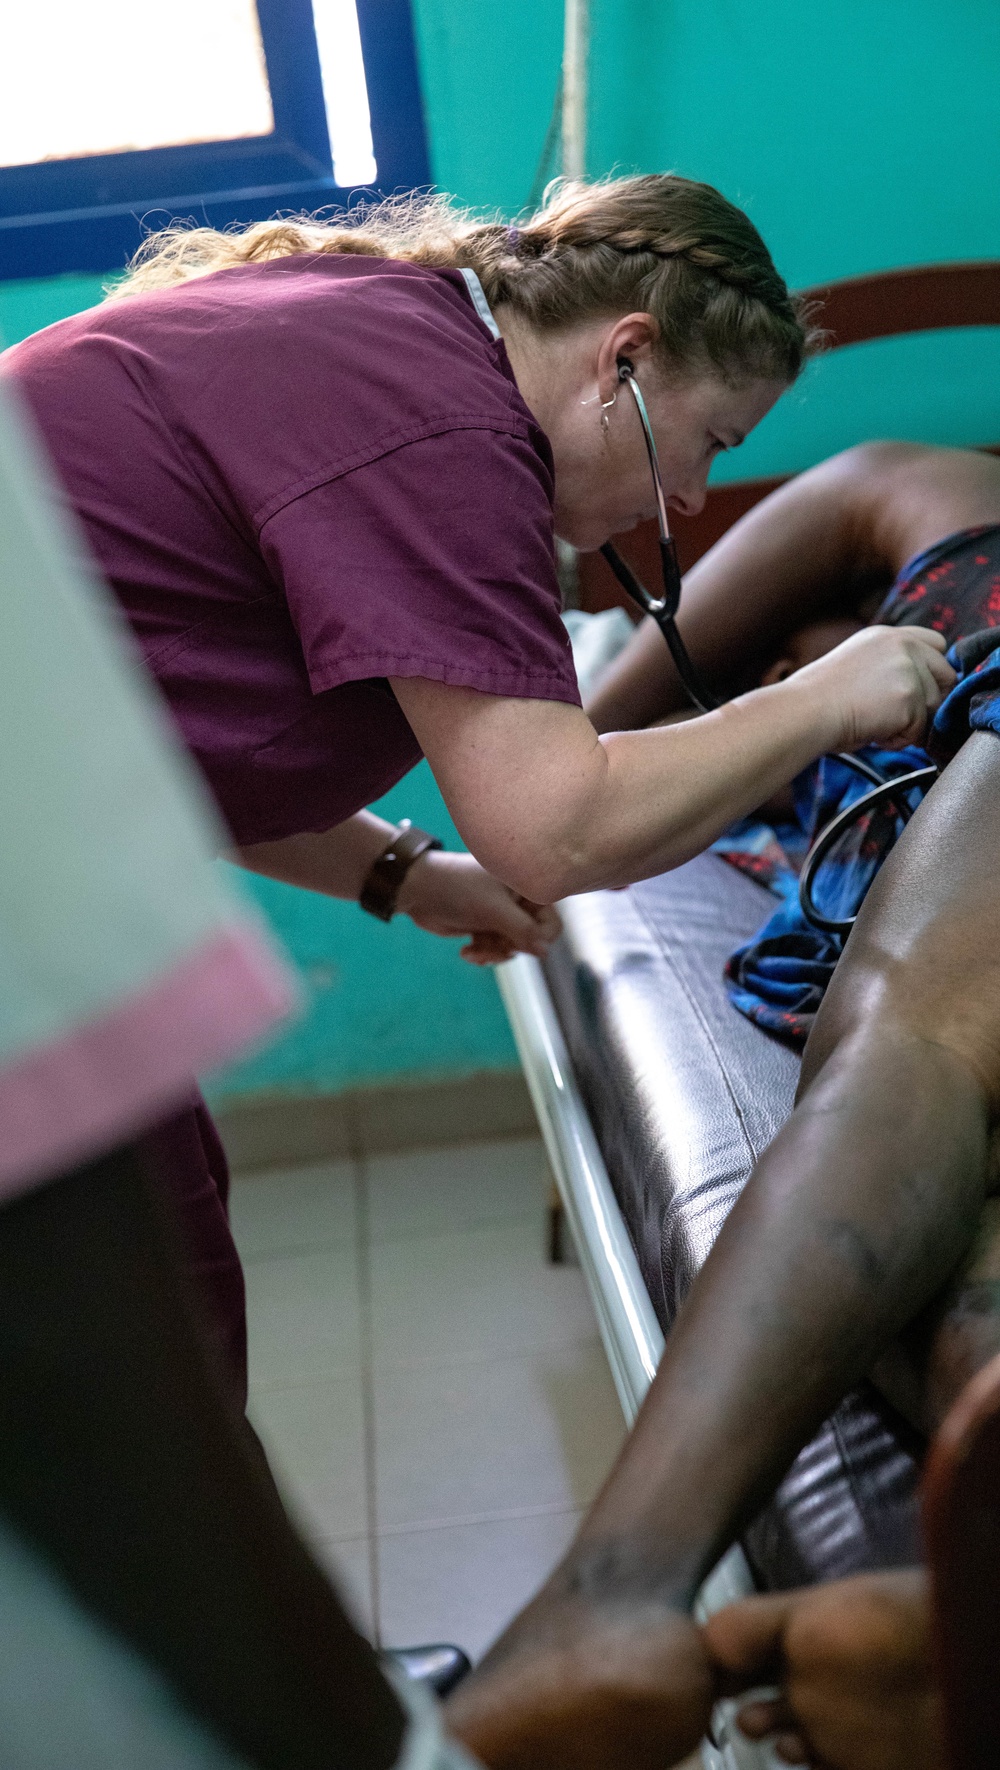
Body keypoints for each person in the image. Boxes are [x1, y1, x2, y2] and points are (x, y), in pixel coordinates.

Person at [0, 176, 949, 1756]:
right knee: (125, 1356)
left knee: (137, 1333)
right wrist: (837, 694)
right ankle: (234, 1716)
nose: (682, 507)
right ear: (622, 358)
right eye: (706, 443)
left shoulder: (373, 338)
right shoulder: (446, 434)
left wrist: (398, 869)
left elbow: (157, 702)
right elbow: (557, 825)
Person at [442, 441, 1000, 1768]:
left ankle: (613, 1592)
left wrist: (611, 754)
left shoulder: (960, 517)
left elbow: (597, 744)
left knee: (908, 1058)